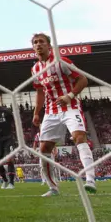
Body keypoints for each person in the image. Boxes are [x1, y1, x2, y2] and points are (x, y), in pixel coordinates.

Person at [30, 32, 95, 196]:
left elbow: (83, 79)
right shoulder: (35, 69)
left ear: (49, 45)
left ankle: (90, 180)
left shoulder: (61, 61)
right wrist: (37, 113)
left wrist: (69, 96)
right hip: (51, 111)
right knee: (44, 148)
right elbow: (39, 92)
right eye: (35, 42)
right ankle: (53, 187)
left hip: (70, 106)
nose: (38, 45)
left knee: (79, 137)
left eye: (41, 42)